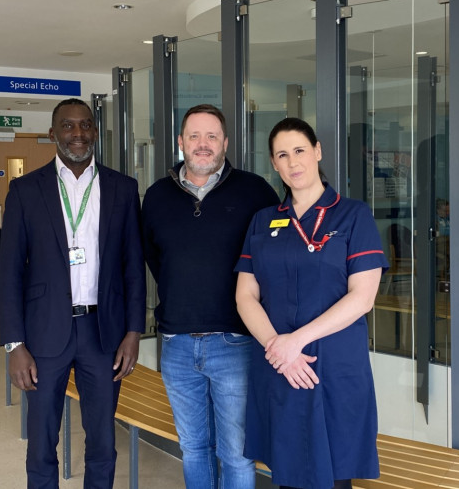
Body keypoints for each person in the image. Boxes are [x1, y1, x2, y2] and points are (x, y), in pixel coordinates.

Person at [0, 98, 146, 489]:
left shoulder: (123, 189)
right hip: (44, 333)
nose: (77, 134)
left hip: (104, 333)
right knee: (42, 439)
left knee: (102, 439)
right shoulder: (26, 190)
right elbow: (9, 272)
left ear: (95, 132)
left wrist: (133, 333)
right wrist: (14, 344)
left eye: (85, 126)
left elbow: (134, 266)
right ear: (52, 134)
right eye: (67, 126)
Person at [235, 117, 387, 489]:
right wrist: (278, 347)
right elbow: (245, 295)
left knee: (334, 473)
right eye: (282, 155)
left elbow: (363, 297)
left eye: (300, 150)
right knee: (286, 471)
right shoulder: (263, 221)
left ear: (317, 151)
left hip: (333, 366)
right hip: (280, 366)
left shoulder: (354, 215)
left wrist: (294, 342)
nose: (293, 162)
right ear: (273, 163)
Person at [141, 104, 279, 489]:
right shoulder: (156, 196)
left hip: (235, 342)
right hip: (177, 344)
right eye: (195, 136)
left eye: (212, 136)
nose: (203, 144)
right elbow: (156, 257)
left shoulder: (255, 192)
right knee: (194, 447)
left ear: (225, 143)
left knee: (236, 452)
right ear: (182, 142)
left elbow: (274, 256)